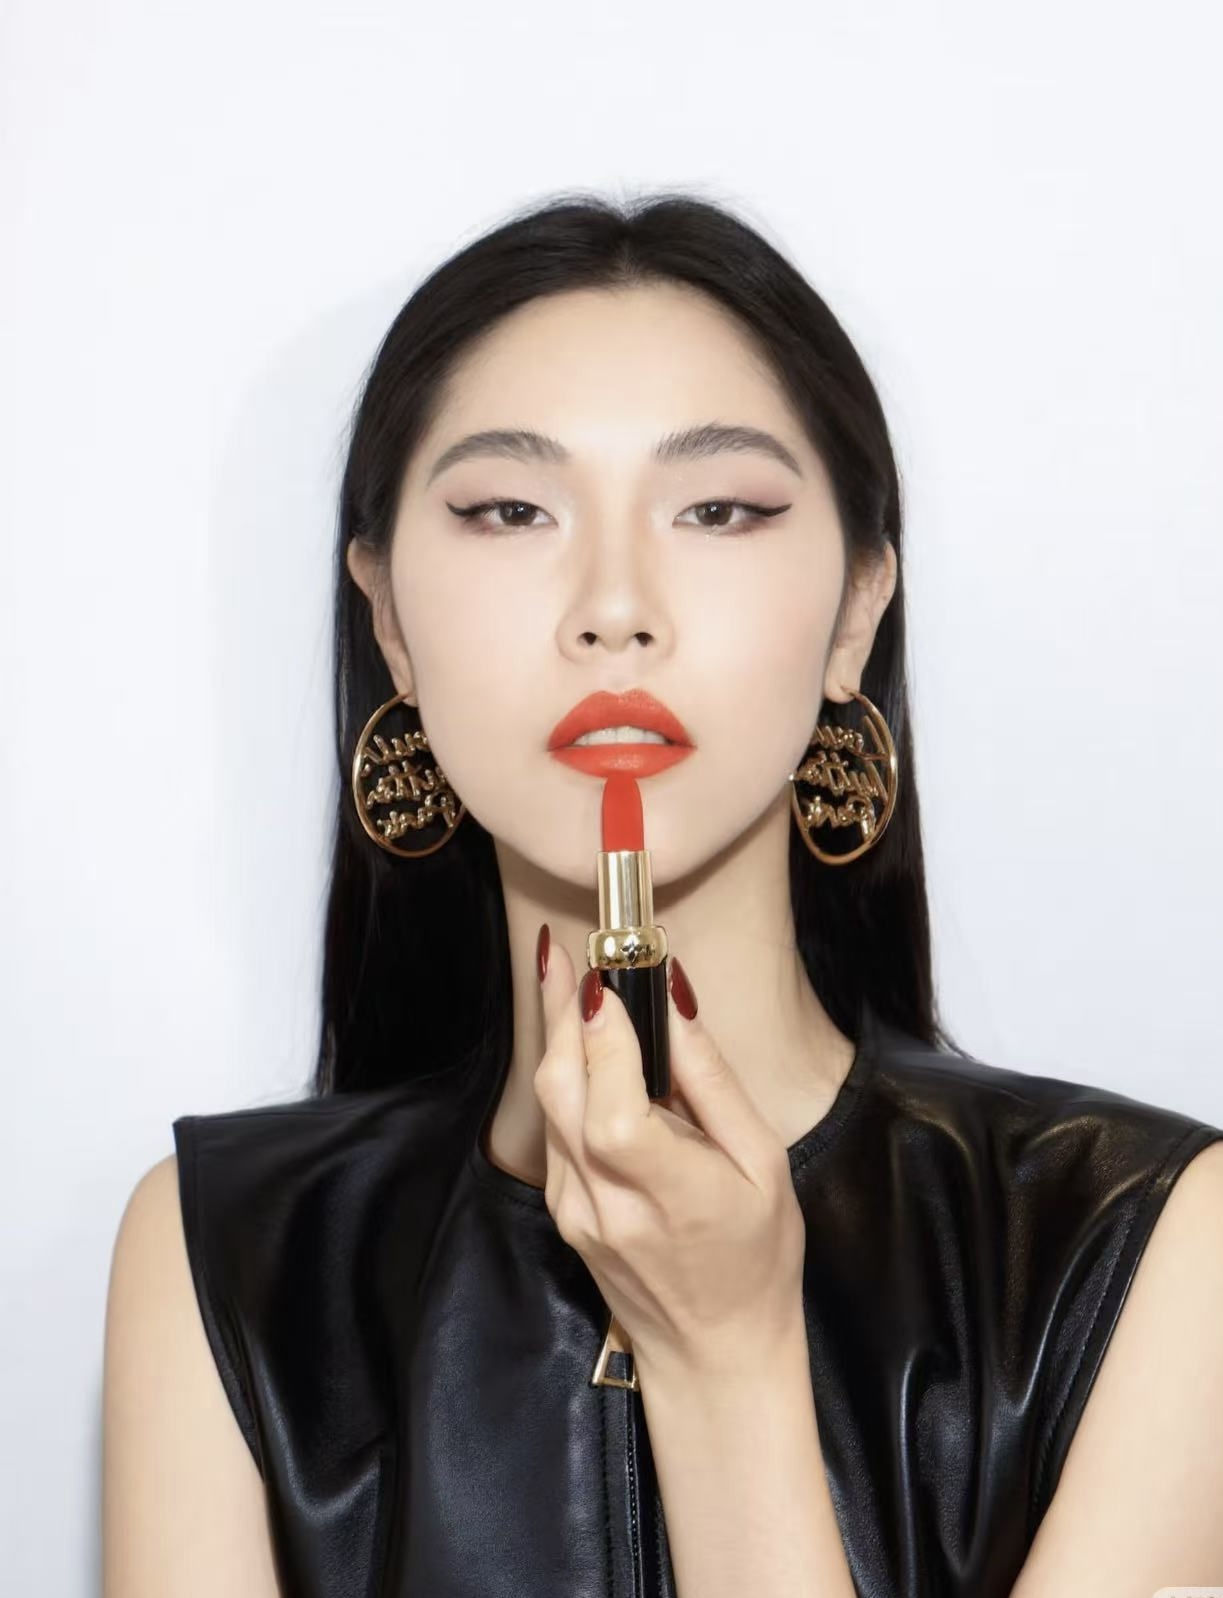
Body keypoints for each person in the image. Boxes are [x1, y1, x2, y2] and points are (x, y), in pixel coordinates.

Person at [101, 191, 1223, 1598]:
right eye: (511, 510)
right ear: (388, 618)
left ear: (858, 607)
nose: (616, 605)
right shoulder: (222, 1254)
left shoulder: (1151, 1243)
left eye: (720, 509)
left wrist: (728, 1363)